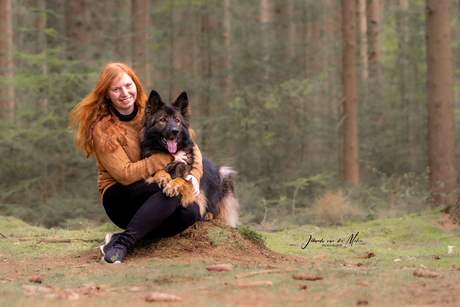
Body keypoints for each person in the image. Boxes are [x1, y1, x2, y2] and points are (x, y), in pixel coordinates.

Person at [69, 62, 203, 264]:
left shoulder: (149, 111)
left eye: (128, 85)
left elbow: (189, 142)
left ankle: (117, 239)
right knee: (167, 192)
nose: (124, 93)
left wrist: (196, 175)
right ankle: (124, 245)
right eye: (116, 89)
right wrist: (167, 158)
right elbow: (124, 174)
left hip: (152, 184)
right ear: (107, 94)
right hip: (121, 195)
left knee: (190, 212)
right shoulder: (102, 128)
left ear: (136, 85)